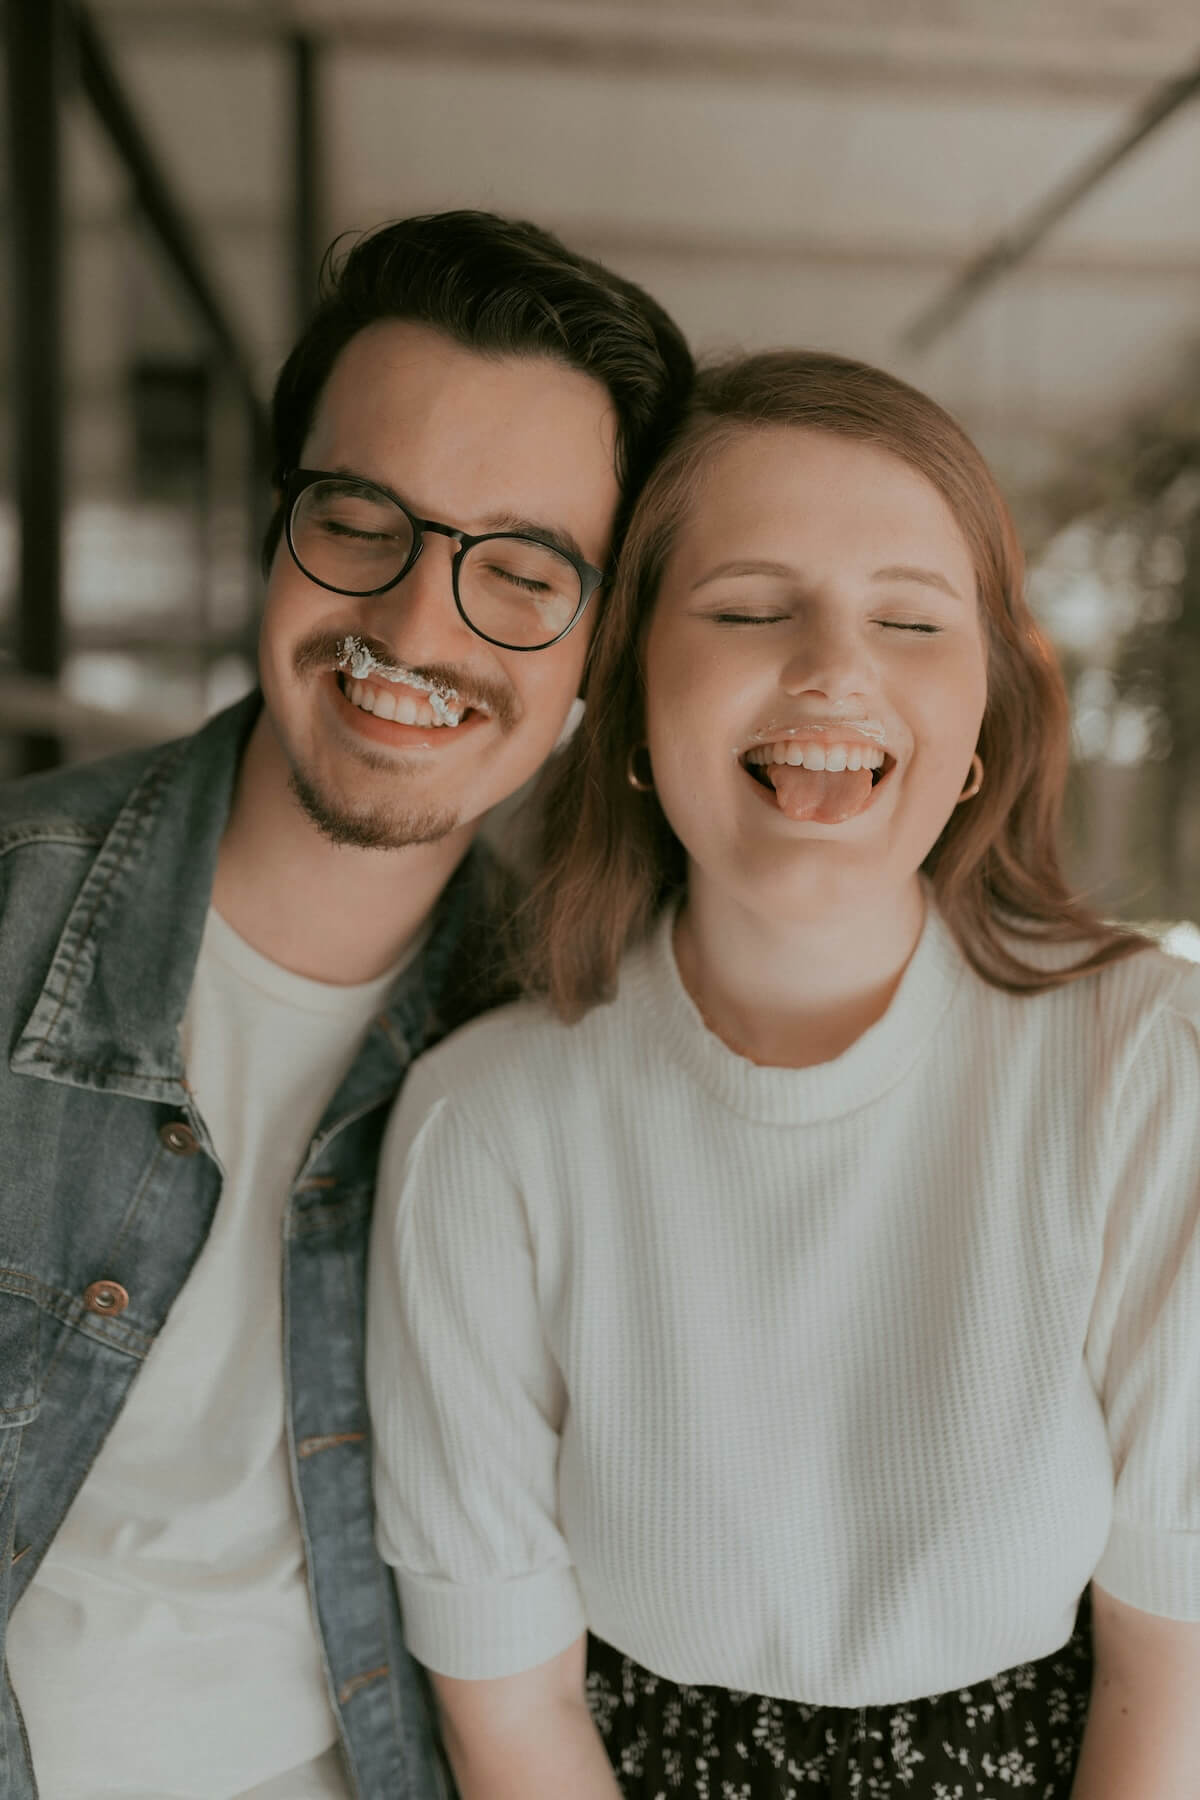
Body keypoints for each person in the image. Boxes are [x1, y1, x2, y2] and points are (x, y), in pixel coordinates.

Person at [367, 350, 1200, 1798]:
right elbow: (508, 1713)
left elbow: (1173, 1674)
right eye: (752, 608)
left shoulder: (1142, 1067)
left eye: (910, 618)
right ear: (625, 693)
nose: (836, 668)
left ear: (983, 723)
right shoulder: (485, 1129)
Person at [0, 209, 691, 1800]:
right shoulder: (17, 912)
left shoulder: (578, 1041)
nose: (417, 625)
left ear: (601, 645)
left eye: (521, 571)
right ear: (276, 520)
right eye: (361, 518)